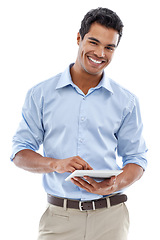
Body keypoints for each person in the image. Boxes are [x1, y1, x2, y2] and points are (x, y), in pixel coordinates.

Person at [11, 7, 147, 240]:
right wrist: (56, 164)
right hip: (59, 220)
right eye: (93, 42)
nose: (100, 53)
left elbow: (137, 159)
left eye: (109, 47)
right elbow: (19, 153)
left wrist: (112, 185)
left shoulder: (127, 102)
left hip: (111, 219)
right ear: (79, 38)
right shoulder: (41, 95)